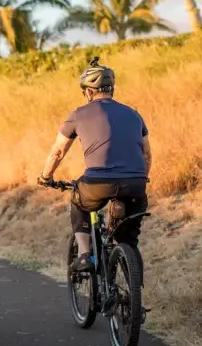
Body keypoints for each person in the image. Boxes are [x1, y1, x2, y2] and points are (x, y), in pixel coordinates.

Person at [38, 57, 152, 272]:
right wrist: (141, 178)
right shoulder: (134, 114)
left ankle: (84, 255)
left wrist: (45, 177)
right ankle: (134, 292)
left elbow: (58, 151)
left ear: (89, 92)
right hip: (135, 184)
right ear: (111, 89)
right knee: (128, 241)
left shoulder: (78, 114)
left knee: (79, 201)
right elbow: (147, 154)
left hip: (97, 183)